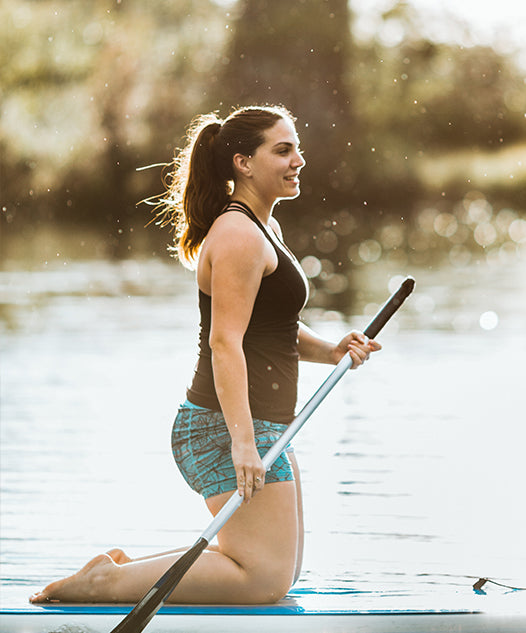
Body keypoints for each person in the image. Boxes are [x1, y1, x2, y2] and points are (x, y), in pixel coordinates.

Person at [30, 105, 381, 604]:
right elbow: (225, 342)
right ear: (243, 163)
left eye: (296, 147)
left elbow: (272, 328)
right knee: (263, 578)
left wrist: (332, 350)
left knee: (281, 572)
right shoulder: (239, 235)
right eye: (282, 150)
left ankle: (121, 571)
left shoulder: (263, 230)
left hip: (258, 423)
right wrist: (242, 442)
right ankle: (104, 584)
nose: (298, 159)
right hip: (225, 425)